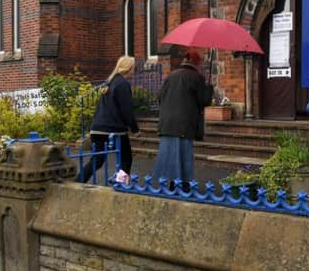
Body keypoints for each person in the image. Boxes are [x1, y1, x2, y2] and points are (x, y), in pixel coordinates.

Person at [153, 49, 213, 190]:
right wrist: (209, 89)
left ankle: (172, 185)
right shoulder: (196, 77)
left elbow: (159, 97)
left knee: (170, 156)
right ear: (196, 63)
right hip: (184, 124)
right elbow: (204, 101)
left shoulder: (171, 76)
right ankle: (184, 186)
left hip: (167, 123)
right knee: (183, 156)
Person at [78, 56, 139, 184]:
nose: (134, 70)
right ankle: (121, 182)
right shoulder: (122, 84)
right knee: (126, 157)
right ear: (129, 68)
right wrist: (135, 129)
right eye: (134, 67)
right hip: (114, 129)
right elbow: (126, 110)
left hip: (98, 128)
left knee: (97, 160)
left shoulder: (109, 82)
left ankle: (78, 180)